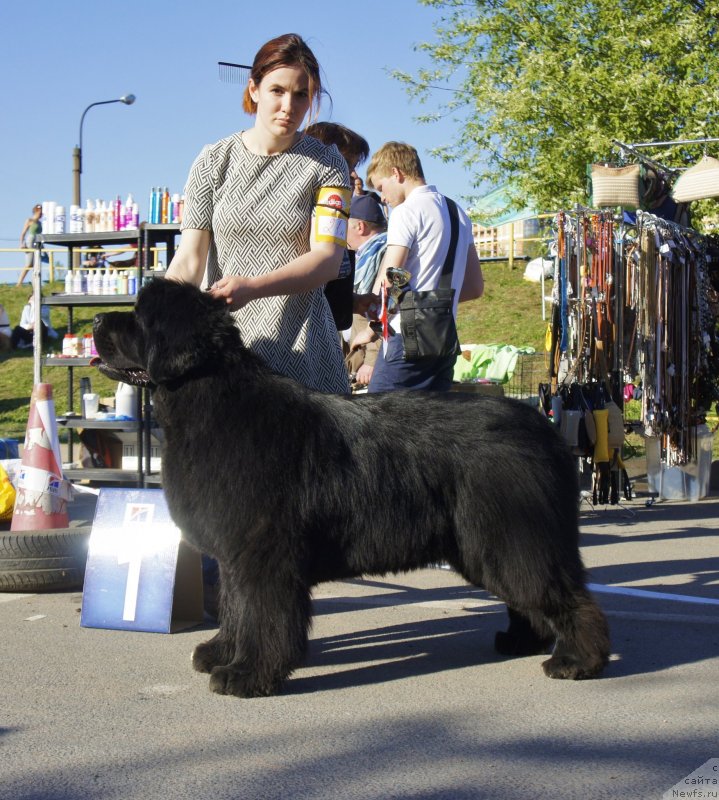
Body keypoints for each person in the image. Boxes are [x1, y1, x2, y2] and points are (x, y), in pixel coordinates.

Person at [165, 33, 351, 395]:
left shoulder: (329, 165)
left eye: (301, 95)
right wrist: (155, 319)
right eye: (277, 91)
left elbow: (328, 261)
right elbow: (189, 261)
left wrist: (253, 288)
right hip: (226, 354)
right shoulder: (212, 160)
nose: (289, 106)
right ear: (254, 89)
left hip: (305, 356)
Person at [352, 141, 484, 393]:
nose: (382, 197)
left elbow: (389, 278)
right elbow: (475, 287)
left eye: (381, 187)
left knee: (383, 423)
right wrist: (434, 298)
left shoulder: (406, 211)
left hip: (406, 336)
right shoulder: (458, 213)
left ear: (396, 173)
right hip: (443, 337)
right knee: (431, 427)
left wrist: (372, 328)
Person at [304, 121, 370, 331]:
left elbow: (322, 292)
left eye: (354, 167)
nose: (354, 176)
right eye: (346, 165)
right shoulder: (299, 215)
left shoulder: (333, 214)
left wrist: (354, 302)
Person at [345, 193, 388, 386]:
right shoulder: (366, 256)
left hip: (371, 362)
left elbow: (382, 307)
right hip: (358, 354)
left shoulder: (382, 253)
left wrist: (371, 362)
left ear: (360, 227)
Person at [17, 204, 43, 286]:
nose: (41, 214)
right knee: (29, 263)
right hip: (30, 242)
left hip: (38, 242)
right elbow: (23, 233)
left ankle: (35, 283)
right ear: (36, 211)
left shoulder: (40, 223)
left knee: (36, 264)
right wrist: (21, 243)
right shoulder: (29, 220)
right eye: (40, 212)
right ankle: (19, 283)